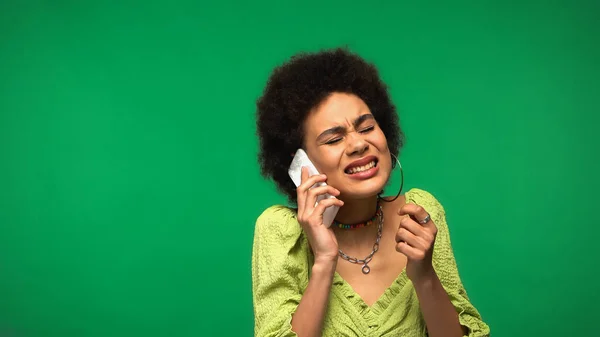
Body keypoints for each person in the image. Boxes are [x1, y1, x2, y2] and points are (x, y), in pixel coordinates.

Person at [252, 47, 490, 337]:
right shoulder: (280, 232)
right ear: (301, 164)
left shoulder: (420, 213)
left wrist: (424, 276)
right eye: (335, 138)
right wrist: (325, 260)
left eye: (366, 128)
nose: (358, 144)